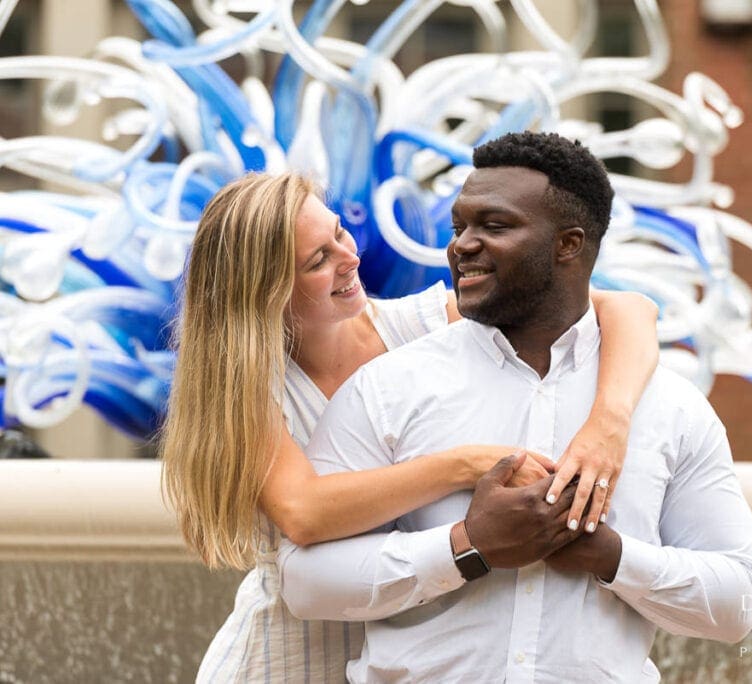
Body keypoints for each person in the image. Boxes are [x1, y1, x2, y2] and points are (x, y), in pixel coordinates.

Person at [278, 131, 752, 682]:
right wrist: (468, 547)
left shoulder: (671, 408)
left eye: (495, 225)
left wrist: (609, 556)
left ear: (568, 244)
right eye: (460, 227)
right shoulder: (386, 388)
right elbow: (304, 583)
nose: (462, 244)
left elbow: (740, 600)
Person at [160, 171, 661, 682]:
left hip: (396, 658)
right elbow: (304, 511)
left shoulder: (419, 327)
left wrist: (608, 425)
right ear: (266, 293)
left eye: (338, 233)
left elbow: (630, 309)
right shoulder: (247, 385)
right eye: (319, 260)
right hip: (285, 660)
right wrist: (465, 464)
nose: (349, 258)